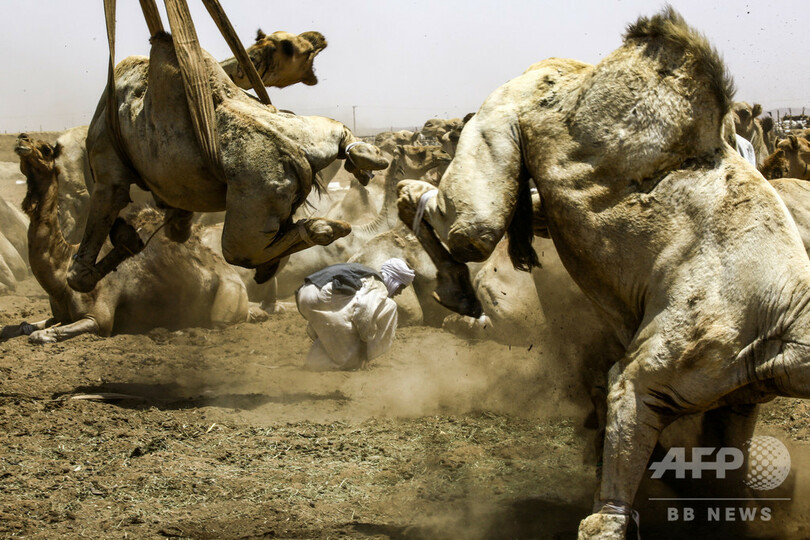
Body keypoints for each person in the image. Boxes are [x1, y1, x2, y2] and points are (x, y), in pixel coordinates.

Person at [295, 258, 416, 371]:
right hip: (321, 297)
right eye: (401, 287)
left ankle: (315, 360)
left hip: (304, 294)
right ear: (394, 279)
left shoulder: (367, 275)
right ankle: (317, 365)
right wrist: (364, 348)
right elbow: (364, 312)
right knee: (351, 360)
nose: (399, 292)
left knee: (341, 334)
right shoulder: (378, 284)